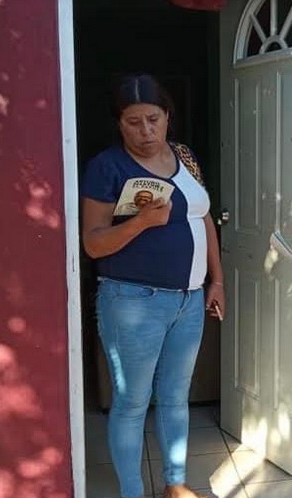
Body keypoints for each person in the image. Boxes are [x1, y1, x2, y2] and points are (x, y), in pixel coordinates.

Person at [81, 74, 225, 498]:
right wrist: (141, 222)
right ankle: (132, 492)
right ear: (119, 124)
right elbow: (93, 243)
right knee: (131, 402)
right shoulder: (108, 167)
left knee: (176, 396)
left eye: (153, 119)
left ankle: (175, 485)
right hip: (132, 300)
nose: (145, 131)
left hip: (189, 300)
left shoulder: (184, 156)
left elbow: (203, 217)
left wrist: (217, 280)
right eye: (133, 122)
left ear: (167, 117)